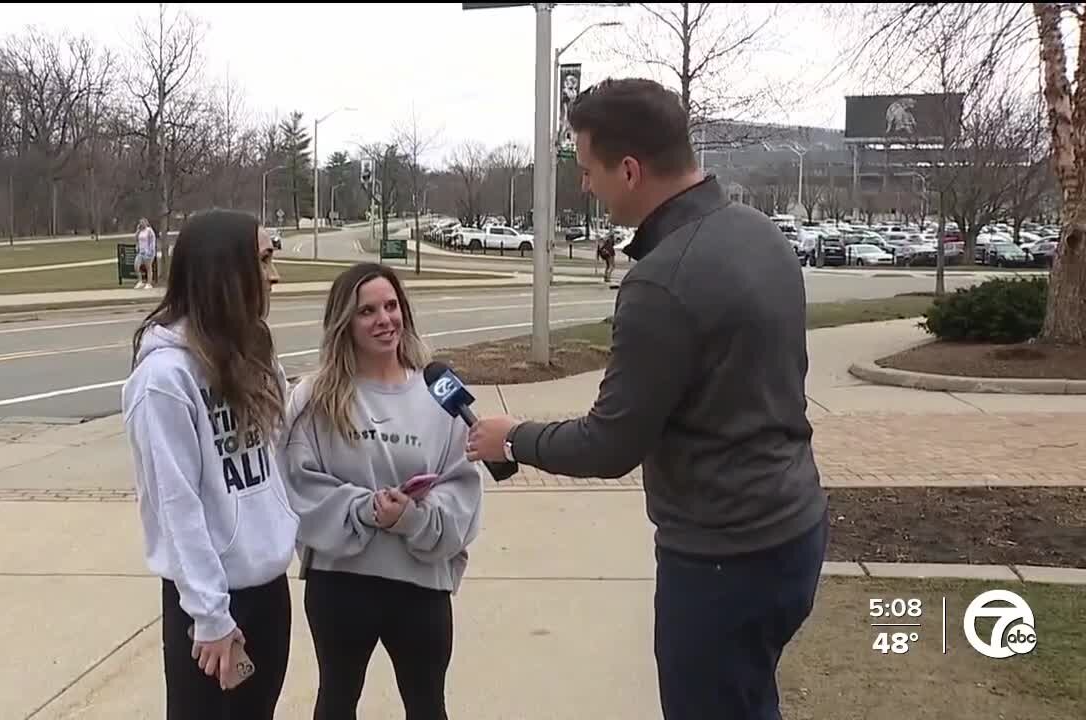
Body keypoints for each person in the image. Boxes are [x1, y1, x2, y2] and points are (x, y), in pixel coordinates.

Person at [465, 77, 829, 720]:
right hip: (795, 528)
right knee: (750, 699)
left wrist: (512, 437)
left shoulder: (660, 283)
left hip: (722, 559)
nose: (584, 186)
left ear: (629, 169)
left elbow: (611, 444)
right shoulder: (761, 232)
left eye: (586, 170)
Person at [281, 262, 483, 720]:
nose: (384, 320)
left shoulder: (440, 394)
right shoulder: (315, 397)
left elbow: (462, 486)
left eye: (391, 306)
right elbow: (297, 484)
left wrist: (412, 518)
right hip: (341, 585)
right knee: (336, 700)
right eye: (367, 311)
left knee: (427, 705)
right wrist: (367, 509)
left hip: (420, 584)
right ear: (344, 323)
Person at [122, 208, 297, 720]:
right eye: (264, 259)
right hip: (209, 606)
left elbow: (276, 457)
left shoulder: (253, 352)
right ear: (228, 271)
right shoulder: (164, 378)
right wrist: (211, 616)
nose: (274, 274)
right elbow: (177, 506)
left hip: (268, 589)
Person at [135, 217, 158, 289]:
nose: (141, 224)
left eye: (143, 222)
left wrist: (151, 251)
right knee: (136, 266)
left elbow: (152, 241)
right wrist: (137, 231)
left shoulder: (149, 231)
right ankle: (140, 281)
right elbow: (136, 239)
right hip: (141, 252)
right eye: (140, 223)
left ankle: (149, 283)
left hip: (148, 252)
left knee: (148, 267)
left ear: (146, 223)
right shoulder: (140, 231)